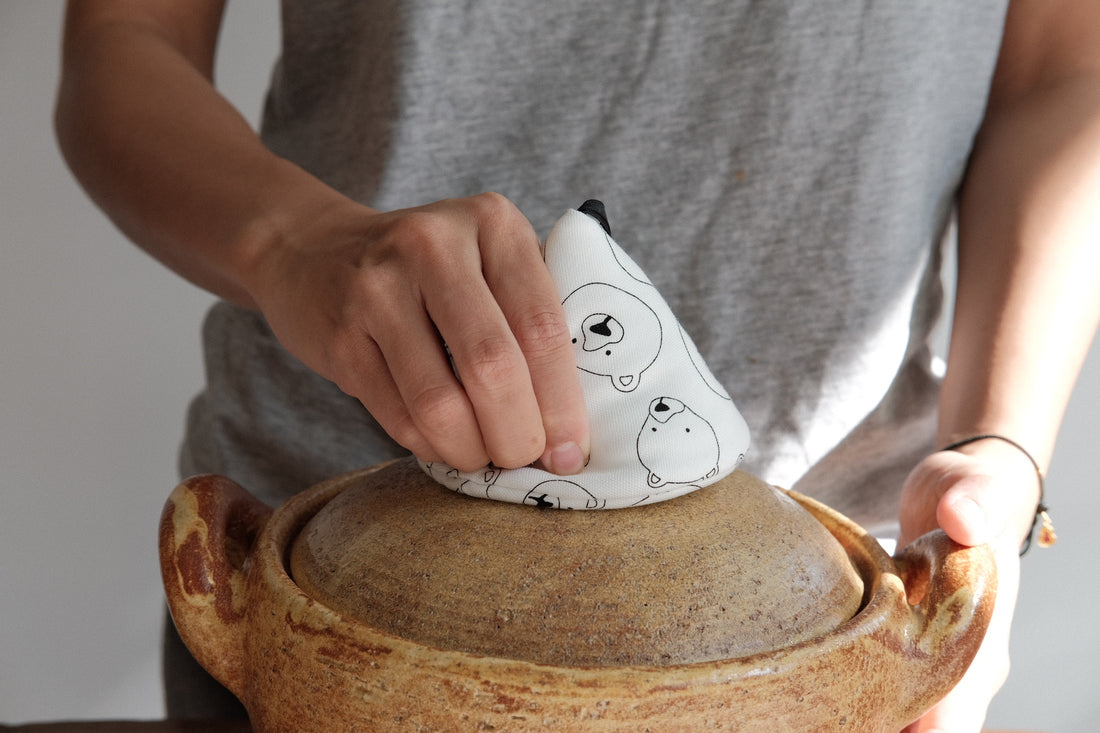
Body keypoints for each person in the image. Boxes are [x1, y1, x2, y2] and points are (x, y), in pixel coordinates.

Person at [55, 1, 1100, 730]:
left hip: (836, 619)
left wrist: (993, 457)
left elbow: (1064, 71)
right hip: (315, 592)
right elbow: (122, 36)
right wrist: (290, 245)